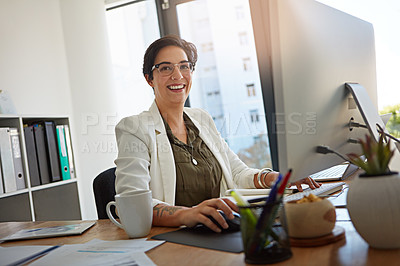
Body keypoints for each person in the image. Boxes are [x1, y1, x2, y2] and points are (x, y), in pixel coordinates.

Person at [114, 35, 320, 233]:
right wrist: (187, 214)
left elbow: (237, 173)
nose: (177, 75)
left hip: (221, 227)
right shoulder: (134, 128)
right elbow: (132, 201)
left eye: (184, 66)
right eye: (166, 68)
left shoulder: (201, 119)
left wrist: (275, 179)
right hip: (174, 237)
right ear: (149, 79)